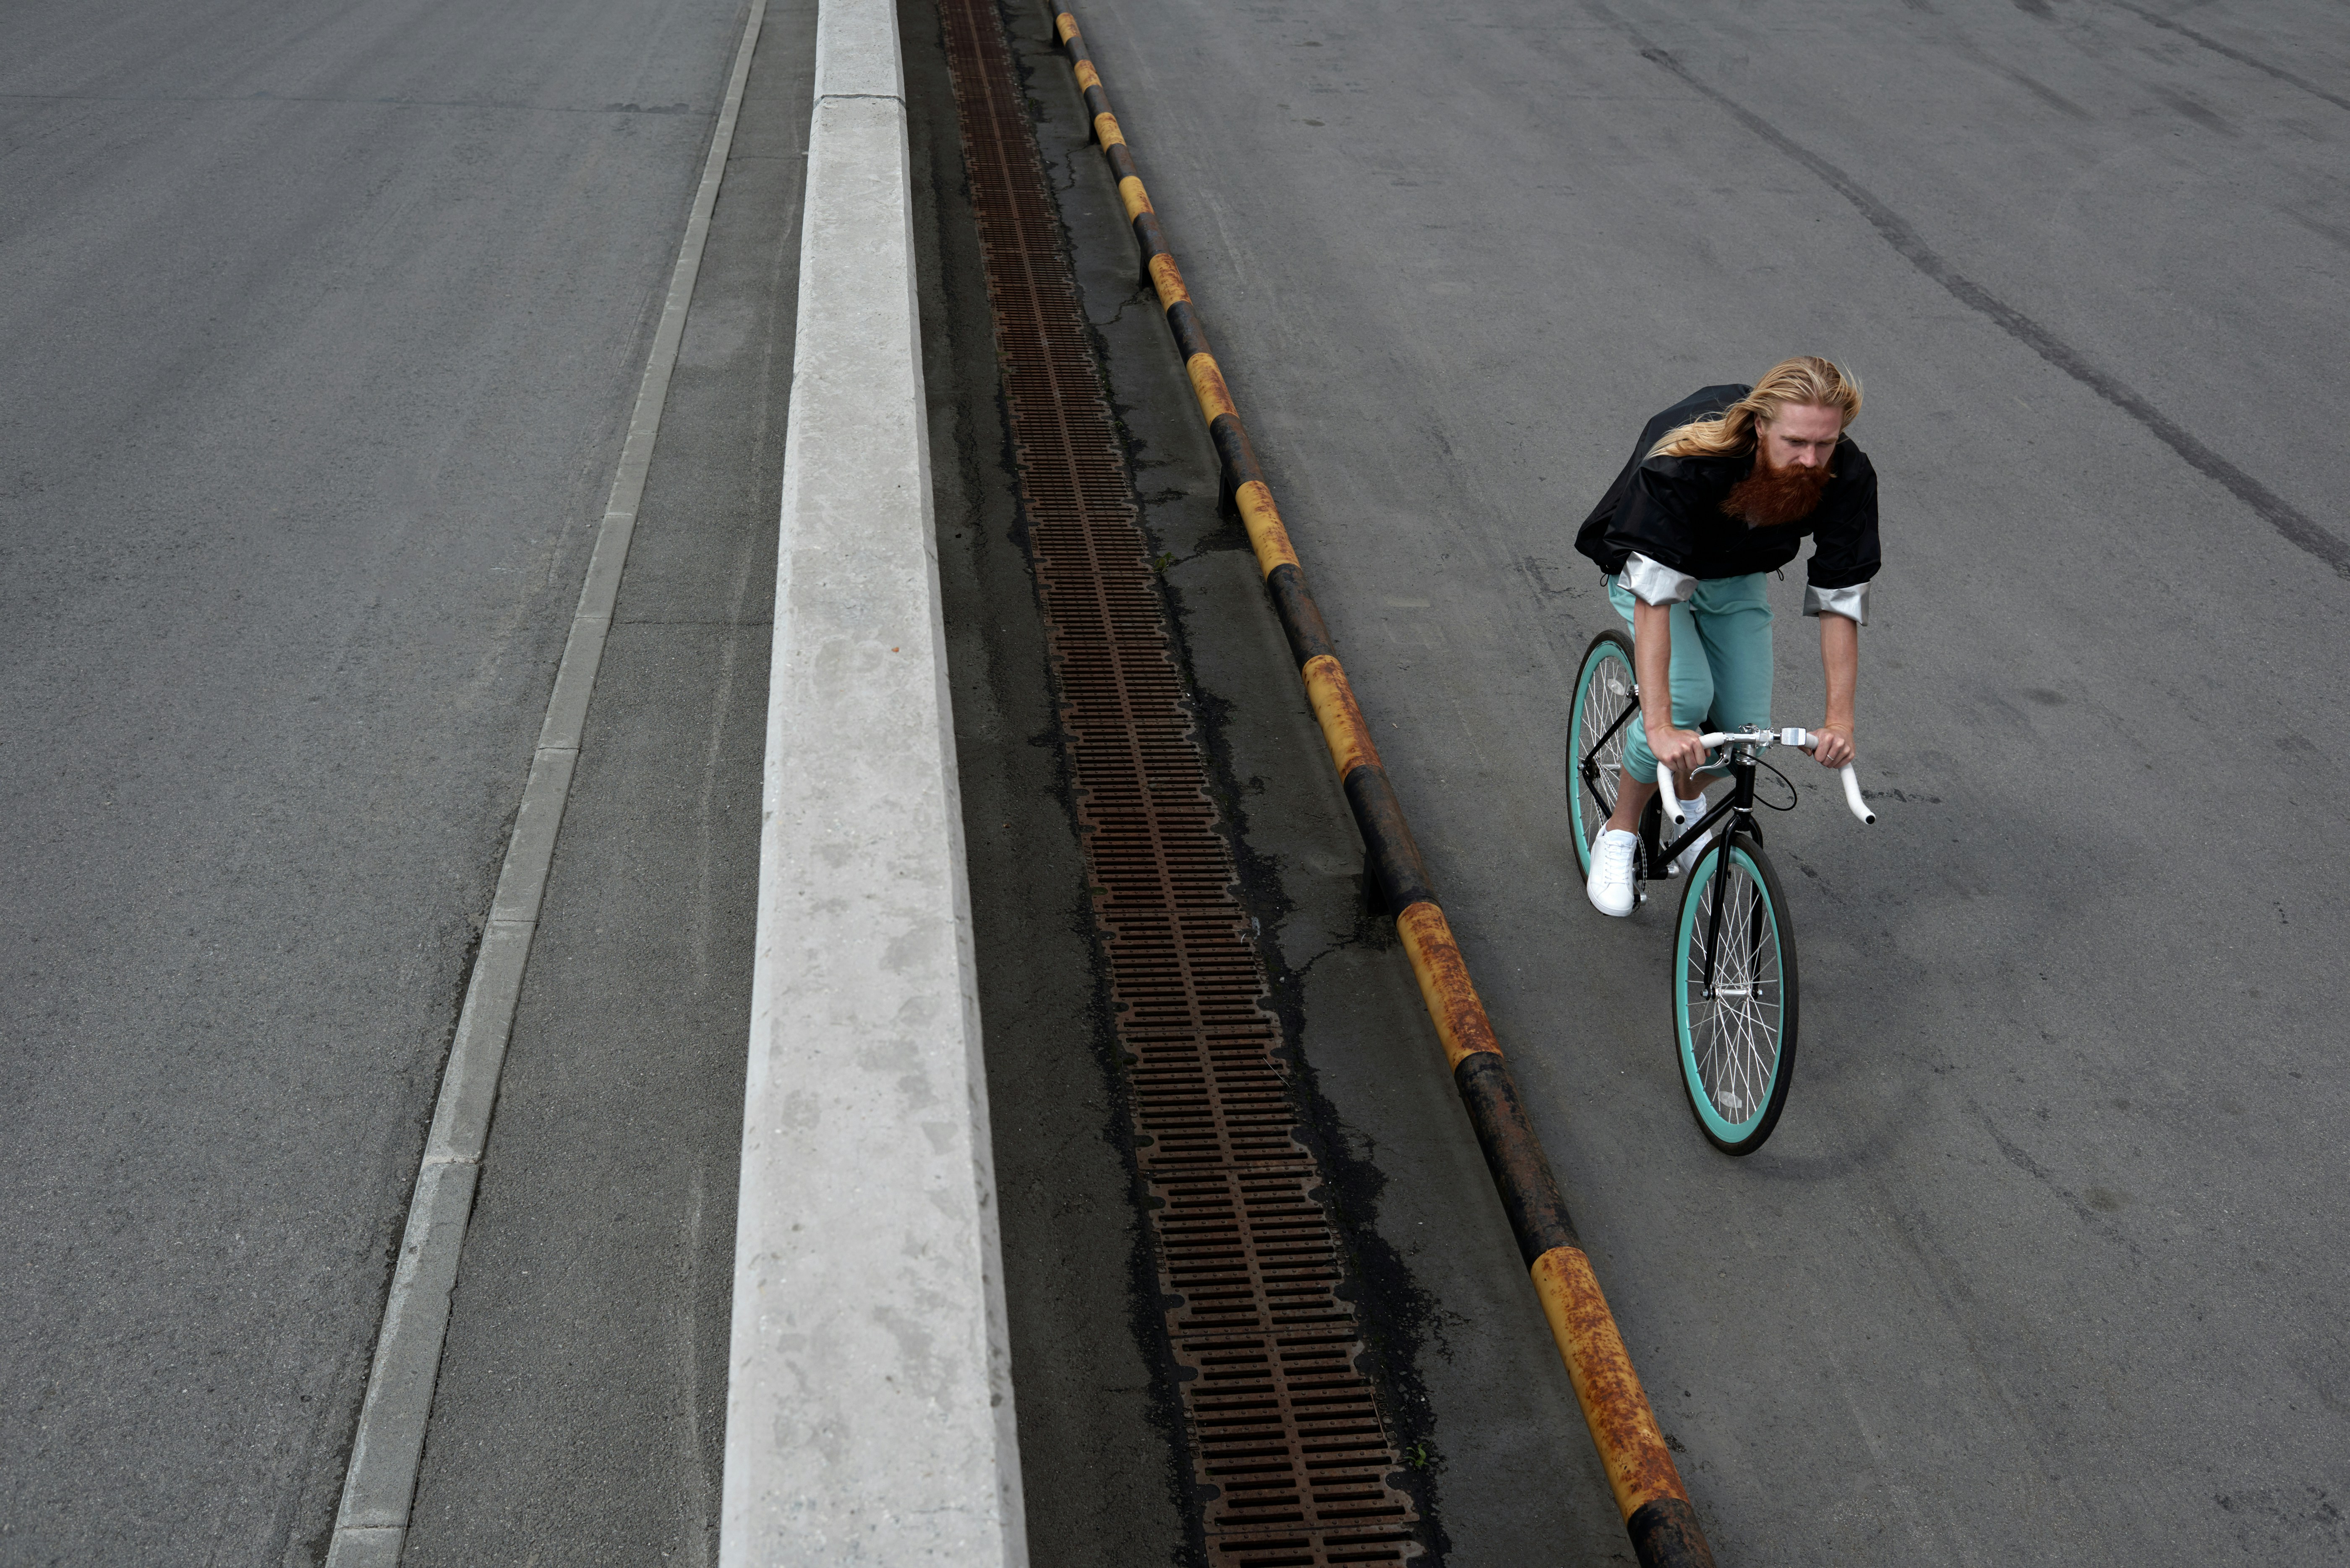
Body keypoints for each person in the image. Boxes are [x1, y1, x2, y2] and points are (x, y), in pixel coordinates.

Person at [1574, 356, 1880, 917]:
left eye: (1826, 443)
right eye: (1795, 442)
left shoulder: (1845, 473)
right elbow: (1654, 595)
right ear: (1760, 424)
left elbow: (1841, 598)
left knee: (1745, 732)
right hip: (1649, 570)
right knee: (1685, 698)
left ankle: (1688, 804)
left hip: (1736, 577)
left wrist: (1840, 721)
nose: (1811, 460)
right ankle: (1618, 833)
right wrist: (1663, 723)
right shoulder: (1690, 459)